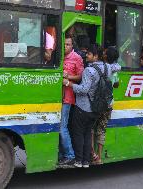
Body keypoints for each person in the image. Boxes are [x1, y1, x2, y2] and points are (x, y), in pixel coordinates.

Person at [63, 44, 121, 168]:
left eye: (88, 54)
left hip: (84, 107)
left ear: (96, 56)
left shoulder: (88, 70)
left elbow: (83, 89)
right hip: (100, 107)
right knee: (91, 132)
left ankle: (79, 160)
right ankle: (87, 161)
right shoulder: (109, 67)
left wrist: (68, 83)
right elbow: (117, 73)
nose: (86, 55)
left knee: (79, 133)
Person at [91, 46, 120, 165]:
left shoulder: (100, 67)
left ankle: (92, 154)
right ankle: (99, 157)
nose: (102, 54)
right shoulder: (115, 69)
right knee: (102, 129)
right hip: (109, 103)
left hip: (98, 103)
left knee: (91, 127)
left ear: (106, 56)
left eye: (104, 53)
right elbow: (116, 85)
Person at [59, 34, 84, 166]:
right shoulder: (59, 55)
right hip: (56, 96)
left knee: (62, 127)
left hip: (67, 97)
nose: (65, 46)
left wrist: (68, 77)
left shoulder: (77, 58)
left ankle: (70, 155)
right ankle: (61, 154)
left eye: (68, 44)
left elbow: (80, 77)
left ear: (72, 45)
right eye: (63, 44)